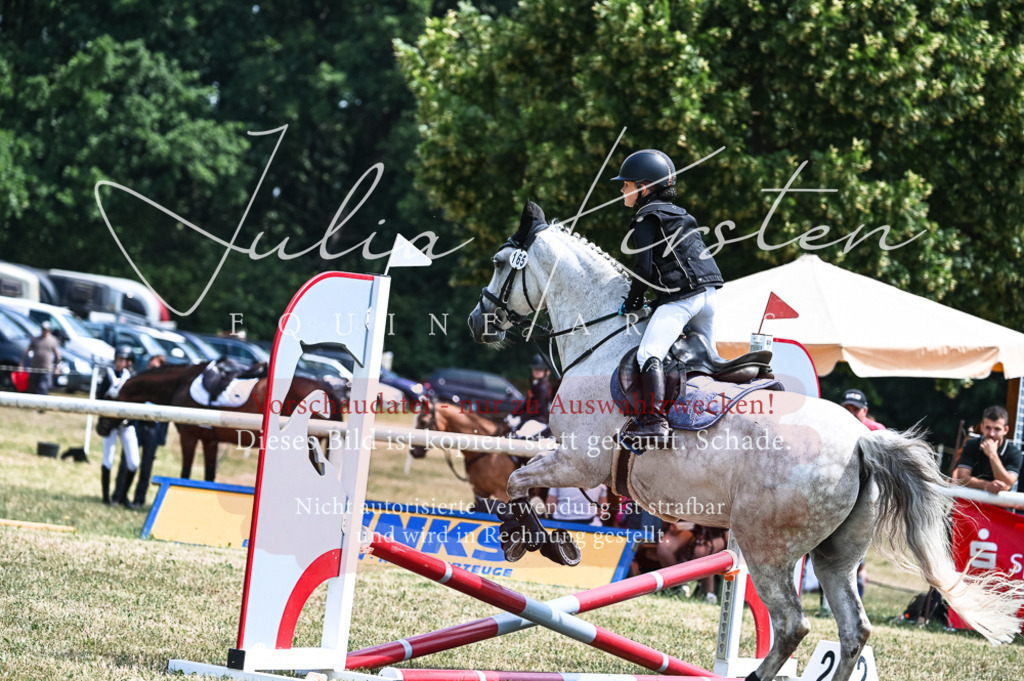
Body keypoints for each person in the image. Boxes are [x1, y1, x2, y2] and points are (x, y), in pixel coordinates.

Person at [612, 149, 724, 440]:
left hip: (683, 301)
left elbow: (644, 270)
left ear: (644, 187)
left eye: (626, 184)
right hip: (708, 297)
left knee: (649, 354)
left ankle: (655, 421)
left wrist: (634, 301)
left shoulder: (644, 218)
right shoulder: (681, 214)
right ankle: (704, 414)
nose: (622, 190)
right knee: (705, 360)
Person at [115, 354, 169, 508]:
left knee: (146, 466)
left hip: (153, 427)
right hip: (137, 424)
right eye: (149, 366)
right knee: (126, 462)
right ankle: (118, 496)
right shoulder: (140, 380)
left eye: (154, 367)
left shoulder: (164, 386)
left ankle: (139, 500)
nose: (150, 370)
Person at [98, 345, 141, 508]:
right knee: (108, 459)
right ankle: (106, 498)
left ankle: (123, 496)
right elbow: (99, 397)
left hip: (125, 424)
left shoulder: (132, 378)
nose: (119, 363)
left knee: (134, 462)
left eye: (122, 360)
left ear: (129, 362)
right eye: (118, 359)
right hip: (110, 424)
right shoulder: (108, 376)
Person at [953, 405, 1022, 495]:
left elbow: (1007, 484)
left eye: (997, 429)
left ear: (1005, 430)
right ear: (982, 427)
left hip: (1000, 507)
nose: (991, 434)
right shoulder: (971, 445)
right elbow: (962, 478)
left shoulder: (1015, 453)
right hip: (970, 503)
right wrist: (986, 485)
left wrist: (993, 455)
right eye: (988, 428)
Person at [506, 354, 553, 433]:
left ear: (546, 371)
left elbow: (535, 407)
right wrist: (513, 415)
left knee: (522, 432)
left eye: (539, 369)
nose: (536, 371)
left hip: (539, 420)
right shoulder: (535, 385)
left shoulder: (543, 387)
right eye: (535, 368)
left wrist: (520, 418)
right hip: (530, 418)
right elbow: (526, 404)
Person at [19, 319, 61, 396]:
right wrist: (21, 364)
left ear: (49, 330)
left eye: (46, 329)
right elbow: (27, 351)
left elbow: (58, 355)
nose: (44, 331)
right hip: (35, 368)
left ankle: (41, 406)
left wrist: (57, 368)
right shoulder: (35, 339)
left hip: (46, 369)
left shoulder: (53, 340)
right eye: (43, 329)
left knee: (43, 388)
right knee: (32, 388)